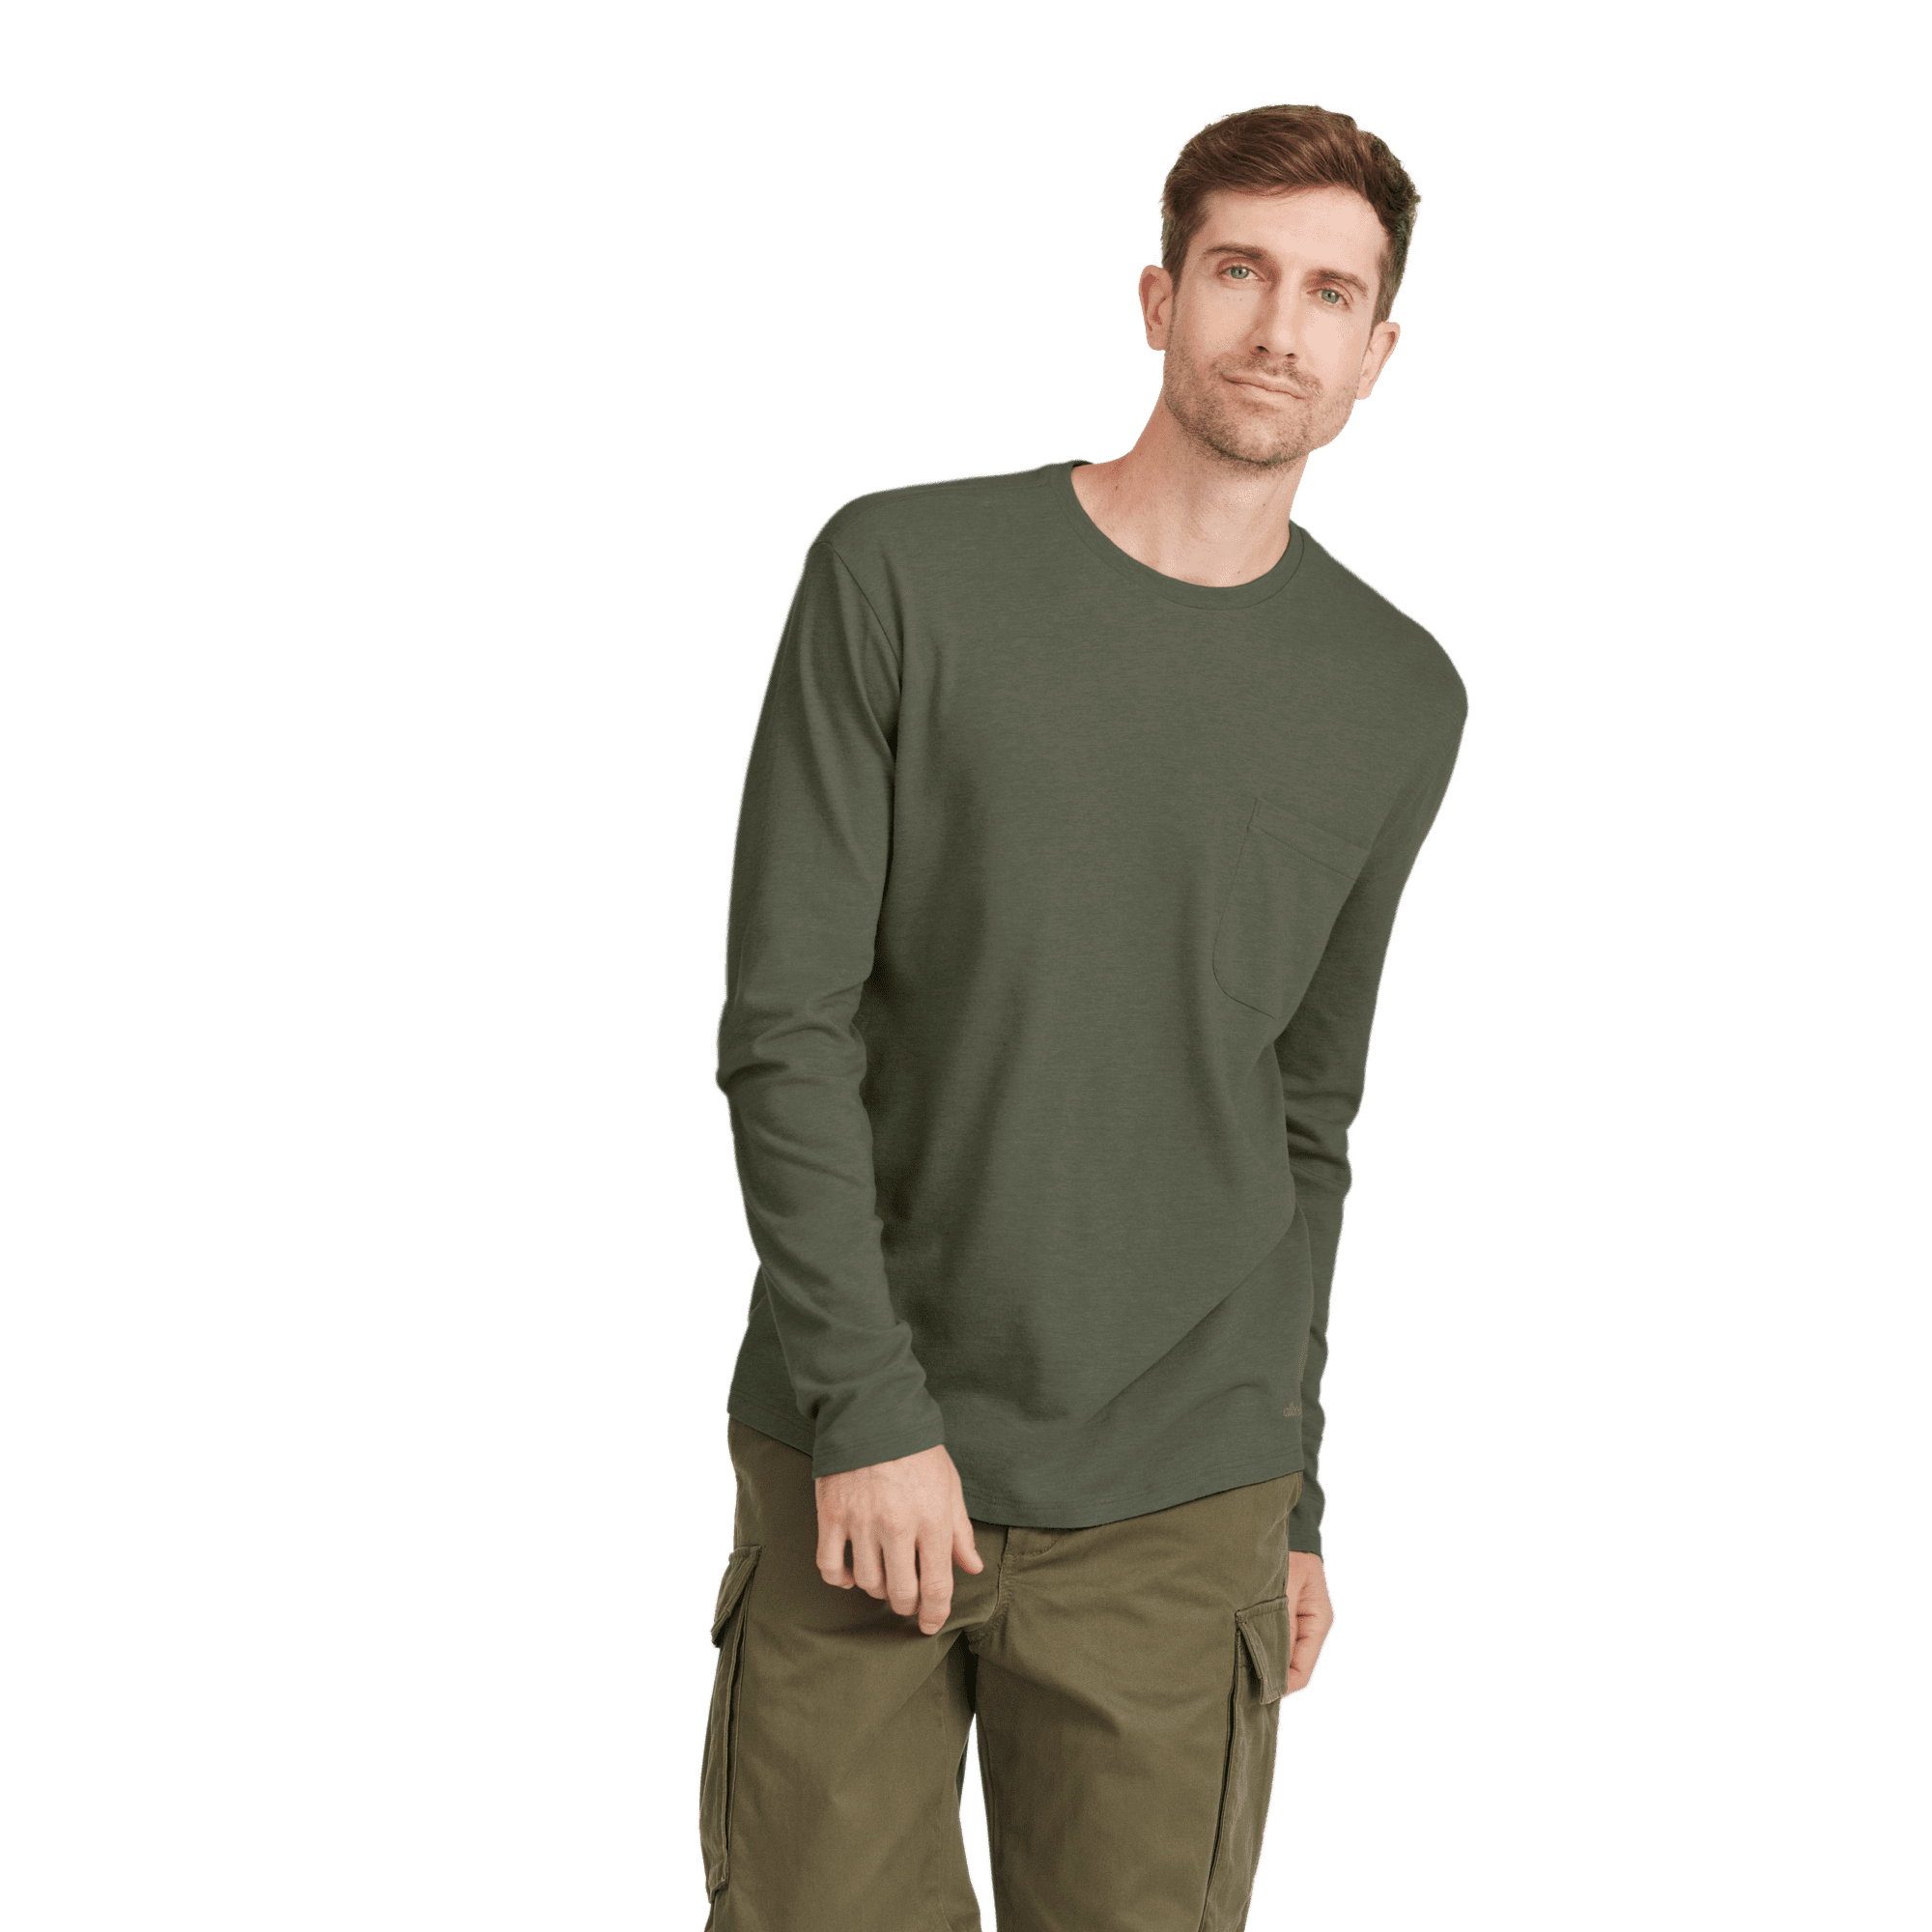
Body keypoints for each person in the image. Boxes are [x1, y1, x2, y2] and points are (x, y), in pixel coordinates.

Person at [698, 100, 1469, 1932]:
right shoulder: (901, 573)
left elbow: (1308, 1119)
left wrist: (1297, 1500)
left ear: (1377, 353)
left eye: (1331, 294)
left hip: (1187, 1486)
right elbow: (785, 1024)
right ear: (1157, 298)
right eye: (1240, 271)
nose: (1279, 326)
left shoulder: (1399, 693)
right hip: (861, 1441)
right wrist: (867, 1409)